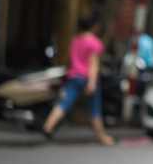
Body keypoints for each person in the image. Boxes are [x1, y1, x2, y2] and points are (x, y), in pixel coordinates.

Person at [42, 17, 114, 146]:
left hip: (74, 76)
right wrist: (92, 83)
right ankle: (102, 137)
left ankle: (48, 126)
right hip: (87, 78)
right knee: (95, 109)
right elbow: (93, 64)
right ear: (95, 26)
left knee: (64, 103)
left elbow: (72, 59)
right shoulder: (95, 42)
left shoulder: (76, 40)